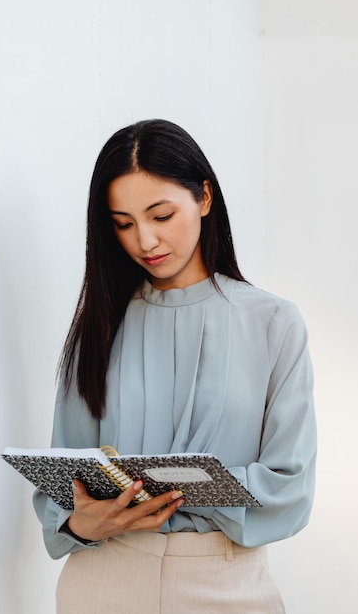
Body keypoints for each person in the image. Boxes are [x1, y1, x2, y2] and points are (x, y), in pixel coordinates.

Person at [33, 119, 317, 613]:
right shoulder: (99, 328)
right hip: (104, 579)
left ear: (204, 198)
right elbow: (64, 483)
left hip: (224, 581)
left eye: (161, 215)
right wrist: (80, 524)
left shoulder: (274, 323)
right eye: (123, 223)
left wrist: (182, 487)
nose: (145, 241)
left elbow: (290, 486)